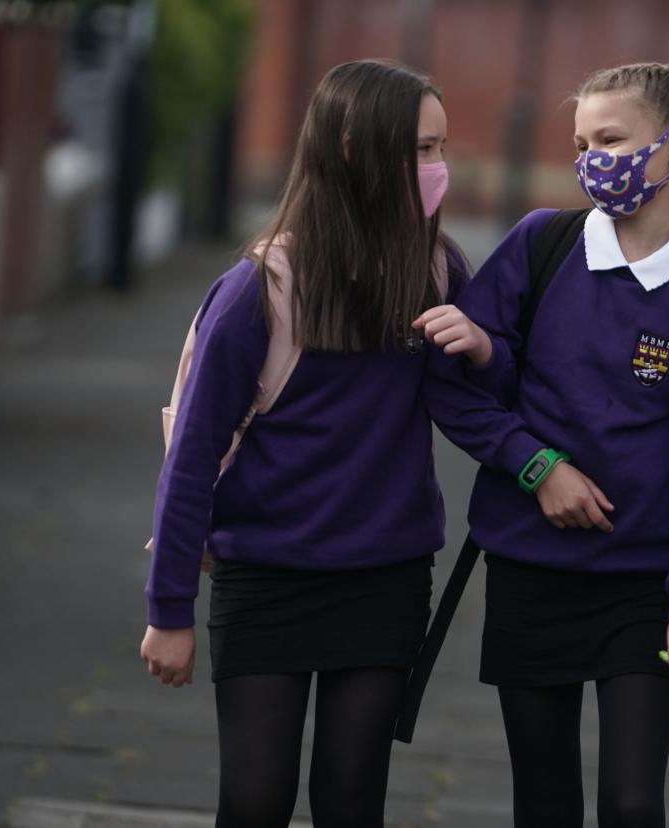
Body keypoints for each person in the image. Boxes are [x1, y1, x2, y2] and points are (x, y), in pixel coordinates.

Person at [416, 61, 669, 828]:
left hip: (644, 591)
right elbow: (454, 386)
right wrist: (537, 466)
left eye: (611, 139)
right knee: (544, 801)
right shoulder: (539, 245)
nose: (590, 161)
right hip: (530, 572)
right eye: (581, 143)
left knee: (632, 803)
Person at [138, 59, 484, 828]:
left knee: (351, 798)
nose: (438, 169)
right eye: (420, 150)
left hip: (386, 580)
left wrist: (487, 351)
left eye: (440, 148)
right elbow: (191, 456)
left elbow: (476, 410)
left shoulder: (439, 271)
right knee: (256, 801)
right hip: (264, 579)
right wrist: (169, 610)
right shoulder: (257, 292)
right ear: (356, 151)